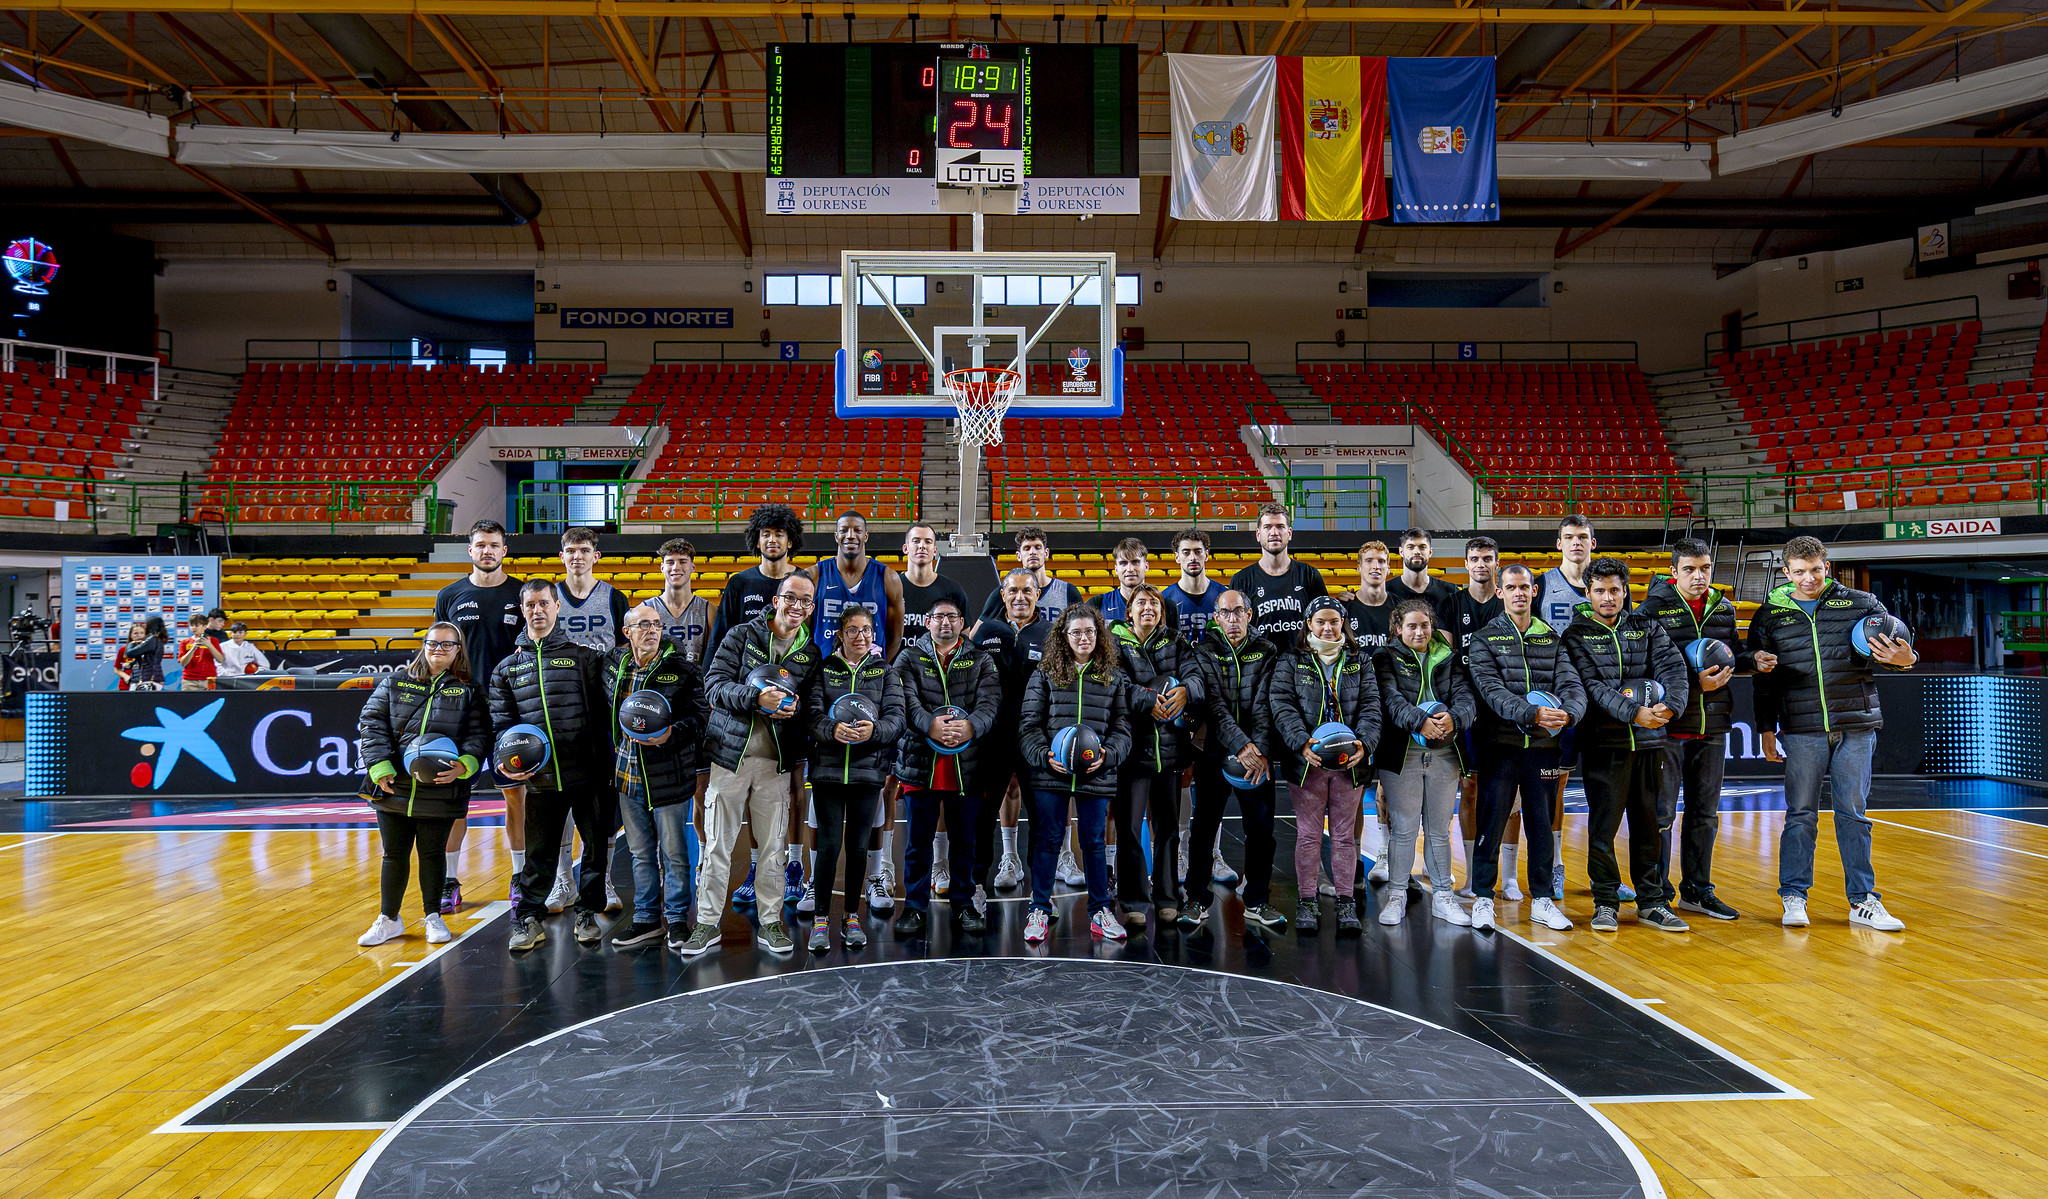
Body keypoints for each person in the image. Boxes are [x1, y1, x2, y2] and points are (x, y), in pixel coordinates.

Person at [1749, 535, 1915, 932]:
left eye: (1816, 569)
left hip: (1856, 724)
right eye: (1800, 572)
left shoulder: (1862, 604)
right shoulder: (1771, 612)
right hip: (1801, 728)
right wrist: (1765, 729)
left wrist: (1907, 659)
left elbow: (1898, 651)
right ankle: (1793, 895)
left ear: (1828, 566)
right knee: (1800, 814)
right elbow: (1762, 679)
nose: (1809, 578)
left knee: (1853, 815)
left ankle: (1863, 901)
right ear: (1786, 572)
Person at [677, 574, 825, 958]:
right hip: (730, 756)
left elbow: (812, 707)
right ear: (777, 600)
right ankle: (707, 924)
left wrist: (794, 711)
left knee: (774, 847)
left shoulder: (811, 653)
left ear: (812, 608)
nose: (797, 606)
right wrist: (756, 699)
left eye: (806, 601)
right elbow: (714, 684)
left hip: (776, 763)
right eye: (791, 598)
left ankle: (771, 921)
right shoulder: (743, 634)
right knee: (717, 847)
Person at [1563, 557, 1693, 934]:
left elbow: (1673, 668)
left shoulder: (1646, 626)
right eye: (1600, 591)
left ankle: (1652, 902)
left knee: (1650, 825)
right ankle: (1605, 901)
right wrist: (1633, 712)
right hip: (1606, 744)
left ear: (1625, 591)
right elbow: (1591, 686)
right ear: (1588, 593)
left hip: (1652, 743)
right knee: (1603, 828)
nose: (1608, 597)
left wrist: (1671, 706)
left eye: (1615, 590)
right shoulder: (1576, 636)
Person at [1636, 538, 1759, 922]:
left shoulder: (1722, 608)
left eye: (1704, 568)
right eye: (1689, 569)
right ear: (1674, 572)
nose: (1698, 576)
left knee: (1705, 815)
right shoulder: (1652, 608)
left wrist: (1751, 659)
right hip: (1669, 726)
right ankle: (1656, 895)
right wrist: (1692, 685)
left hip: (1714, 725)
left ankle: (1697, 891)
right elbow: (1639, 668)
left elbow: (1730, 657)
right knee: (1661, 815)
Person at [492, 581, 613, 953]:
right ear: (523, 609)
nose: (537, 611)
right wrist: (504, 761)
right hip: (540, 779)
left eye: (544, 603)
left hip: (587, 773)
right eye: (530, 605)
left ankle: (588, 912)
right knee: (538, 853)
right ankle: (529, 918)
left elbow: (605, 714)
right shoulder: (508, 668)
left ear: (558, 607)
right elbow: (502, 726)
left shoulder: (584, 658)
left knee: (594, 848)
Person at [1466, 563, 1586, 933]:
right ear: (1500, 593)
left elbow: (1573, 685)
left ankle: (1543, 900)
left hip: (1544, 749)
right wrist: (1533, 713)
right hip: (1499, 747)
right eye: (1511, 587)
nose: (1519, 593)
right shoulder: (1484, 639)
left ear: (1535, 592)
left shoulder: (1552, 638)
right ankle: (1483, 897)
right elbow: (1491, 692)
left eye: (1525, 587)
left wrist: (1568, 715)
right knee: (1492, 819)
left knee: (1540, 823)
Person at [356, 622, 489, 948]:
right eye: (432, 644)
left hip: (441, 786)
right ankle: (389, 919)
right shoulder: (395, 682)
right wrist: (379, 766)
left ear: (458, 650)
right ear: (423, 645)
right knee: (393, 854)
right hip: (395, 785)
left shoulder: (469, 689)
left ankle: (433, 916)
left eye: (446, 645)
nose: (438, 650)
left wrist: (465, 765)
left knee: (432, 854)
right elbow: (371, 723)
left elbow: (480, 734)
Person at [707, 503, 804, 907]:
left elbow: (807, 647)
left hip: (787, 718)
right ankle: (751, 870)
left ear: (790, 540)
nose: (772, 539)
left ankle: (793, 867)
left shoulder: (802, 583)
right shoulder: (739, 584)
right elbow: (719, 647)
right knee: (745, 797)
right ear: (756, 540)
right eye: (766, 533)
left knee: (792, 791)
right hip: (744, 715)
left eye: (780, 533)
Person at [1018, 603, 1132, 944]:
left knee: (1094, 842)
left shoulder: (1113, 675)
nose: (1084, 638)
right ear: (1063, 637)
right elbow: (1028, 725)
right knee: (1048, 839)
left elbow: (1123, 728)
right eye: (1077, 632)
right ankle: (1039, 907)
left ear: (1100, 636)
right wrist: (1043, 755)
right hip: (1052, 772)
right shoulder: (1045, 672)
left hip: (1095, 773)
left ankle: (1100, 911)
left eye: (1090, 632)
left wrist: (1108, 755)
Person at [891, 595, 1002, 937]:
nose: (945, 623)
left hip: (966, 765)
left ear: (963, 624)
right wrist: (930, 725)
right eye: (938, 617)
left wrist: (970, 727)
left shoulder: (981, 659)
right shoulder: (908, 658)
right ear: (927, 622)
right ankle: (914, 906)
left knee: (965, 842)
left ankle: (964, 904)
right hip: (921, 762)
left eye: (952, 617)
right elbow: (904, 699)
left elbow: (990, 702)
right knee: (918, 844)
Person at [1269, 596, 1381, 934]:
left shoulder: (1360, 662)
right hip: (1308, 762)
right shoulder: (1291, 660)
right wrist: (1300, 742)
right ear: (1309, 625)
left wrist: (1366, 742)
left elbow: (1372, 705)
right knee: (1308, 834)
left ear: (1343, 625)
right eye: (1321, 621)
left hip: (1350, 762)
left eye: (1335, 621)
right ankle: (1307, 901)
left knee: (1345, 836)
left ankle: (1346, 904)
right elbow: (1281, 701)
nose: (1328, 627)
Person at [603, 603, 710, 952]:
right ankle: (647, 918)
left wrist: (671, 734)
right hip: (626, 776)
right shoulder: (613, 666)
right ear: (627, 632)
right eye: (643, 625)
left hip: (669, 776)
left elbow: (701, 719)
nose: (651, 630)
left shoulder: (683, 670)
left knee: (676, 855)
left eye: (656, 624)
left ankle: (678, 919)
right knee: (640, 853)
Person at [433, 519, 525, 913]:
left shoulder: (522, 593)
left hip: (509, 709)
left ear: (504, 550)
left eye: (494, 545)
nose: (487, 551)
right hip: (462, 710)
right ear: (470, 551)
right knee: (456, 797)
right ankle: (449, 881)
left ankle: (521, 876)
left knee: (516, 795)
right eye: (480, 545)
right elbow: (435, 653)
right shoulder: (449, 595)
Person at [804, 606, 906, 952]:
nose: (860, 637)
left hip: (868, 772)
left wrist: (873, 731)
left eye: (866, 631)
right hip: (828, 771)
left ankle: (851, 916)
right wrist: (833, 729)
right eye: (852, 631)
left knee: (859, 845)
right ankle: (821, 919)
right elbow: (811, 714)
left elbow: (897, 718)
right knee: (829, 845)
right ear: (840, 635)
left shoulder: (886, 673)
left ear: (873, 634)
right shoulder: (824, 669)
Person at [1182, 589, 1283, 930]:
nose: (1233, 618)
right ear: (1216, 618)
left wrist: (1261, 750)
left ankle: (1257, 899)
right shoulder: (1203, 651)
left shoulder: (1267, 650)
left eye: (1239, 611)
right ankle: (1195, 898)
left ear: (1249, 615)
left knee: (1262, 829)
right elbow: (1213, 706)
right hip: (1215, 750)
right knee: (1204, 826)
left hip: (1258, 754)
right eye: (1226, 613)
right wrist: (1241, 745)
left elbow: (1269, 705)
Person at [1373, 599, 1475, 928]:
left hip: (1445, 752)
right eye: (1412, 626)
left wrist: (1454, 719)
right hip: (1401, 754)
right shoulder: (1384, 658)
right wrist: (1420, 722)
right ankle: (1397, 894)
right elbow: (1390, 700)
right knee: (1403, 830)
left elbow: (1466, 698)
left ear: (1432, 627)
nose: (1419, 631)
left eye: (1425, 625)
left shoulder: (1450, 657)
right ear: (1398, 629)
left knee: (1439, 831)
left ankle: (1443, 896)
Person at [1108, 582, 1193, 926]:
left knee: (1169, 828)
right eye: (1141, 603)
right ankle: (1132, 898)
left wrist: (1187, 691)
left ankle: (1167, 896)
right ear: (1129, 611)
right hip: (1132, 751)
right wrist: (1147, 702)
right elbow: (1114, 683)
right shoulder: (1112, 643)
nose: (1148, 608)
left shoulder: (1176, 641)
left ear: (1161, 611)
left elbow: (1196, 675)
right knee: (1128, 828)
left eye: (1154, 604)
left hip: (1170, 751)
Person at [1532, 514, 1598, 901]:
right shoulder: (1542, 586)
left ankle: (1602, 872)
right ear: (1559, 544)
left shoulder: (1606, 588)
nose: (1577, 543)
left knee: (1604, 789)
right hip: (1559, 697)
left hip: (1602, 698)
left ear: (1593, 542)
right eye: (1569, 537)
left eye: (1583, 537)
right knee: (1554, 786)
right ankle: (1555, 866)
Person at [973, 567, 1050, 893]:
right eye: (1013, 591)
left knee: (1042, 818)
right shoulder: (985, 631)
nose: (1020, 597)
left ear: (1037, 595)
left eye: (1027, 591)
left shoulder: (1052, 634)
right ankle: (976, 885)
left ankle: (1042, 894)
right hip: (993, 740)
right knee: (982, 815)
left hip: (1035, 739)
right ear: (1002, 596)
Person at [1449, 537, 1504, 896]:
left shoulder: (1510, 600)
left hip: (1504, 709)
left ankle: (1510, 875)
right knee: (1469, 788)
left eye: (1487, 558)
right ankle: (1471, 875)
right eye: (1474, 558)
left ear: (1497, 563)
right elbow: (1448, 659)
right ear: (1466, 564)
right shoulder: (1453, 603)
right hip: (1469, 708)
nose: (1481, 564)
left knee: (1506, 793)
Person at [1229, 503, 1327, 647]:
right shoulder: (1241, 580)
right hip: (1260, 666)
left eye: (1280, 526)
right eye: (1267, 527)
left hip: (1300, 665)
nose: (1274, 532)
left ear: (1290, 533)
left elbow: (1324, 622)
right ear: (1258, 534)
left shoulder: (1309, 575)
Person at [973, 525, 1082, 632]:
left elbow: (1083, 629)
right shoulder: (1005, 593)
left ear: (1046, 553)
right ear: (1018, 555)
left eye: (1038, 547)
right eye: (1027, 548)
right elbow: (975, 634)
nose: (1032, 552)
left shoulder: (1068, 591)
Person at [897, 523, 971, 643]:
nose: (922, 546)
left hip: (938, 661)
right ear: (906, 548)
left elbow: (964, 633)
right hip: (898, 661)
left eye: (928, 541)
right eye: (916, 541)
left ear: (935, 550)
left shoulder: (953, 590)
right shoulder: (892, 587)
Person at [646, 537, 712, 664]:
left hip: (695, 681)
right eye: (670, 562)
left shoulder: (708, 610)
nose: (676, 567)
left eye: (682, 562)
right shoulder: (646, 609)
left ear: (693, 567)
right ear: (662, 567)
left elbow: (712, 658)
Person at [1092, 537, 1182, 630]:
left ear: (1146, 566)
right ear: (1116, 569)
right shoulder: (1097, 604)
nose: (1130, 569)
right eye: (1123, 563)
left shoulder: (1167, 605)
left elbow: (1176, 642)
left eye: (1135, 562)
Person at [1161, 528, 1222, 642]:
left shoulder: (1222, 595)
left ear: (1207, 555)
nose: (1193, 557)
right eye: (1186, 553)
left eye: (1198, 552)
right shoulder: (1165, 599)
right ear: (1177, 557)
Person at [1341, 541, 1397, 653]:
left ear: (1388, 569)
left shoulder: (1399, 608)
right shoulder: (1343, 608)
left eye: (1381, 561)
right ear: (1359, 568)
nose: (1375, 566)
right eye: (1368, 561)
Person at [122, 616, 168, 690]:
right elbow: (147, 658)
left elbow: (130, 653)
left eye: (146, 625)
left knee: (143, 701)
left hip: (149, 679)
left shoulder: (152, 639)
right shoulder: (155, 639)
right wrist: (132, 664)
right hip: (150, 678)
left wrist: (132, 643)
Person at [176, 611, 218, 691]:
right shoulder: (184, 642)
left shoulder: (213, 641)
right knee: (188, 702)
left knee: (210, 701)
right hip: (189, 679)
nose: (193, 628)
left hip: (209, 678)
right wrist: (193, 648)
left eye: (196, 625)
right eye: (191, 625)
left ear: (205, 626)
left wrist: (209, 645)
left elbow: (221, 659)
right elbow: (183, 663)